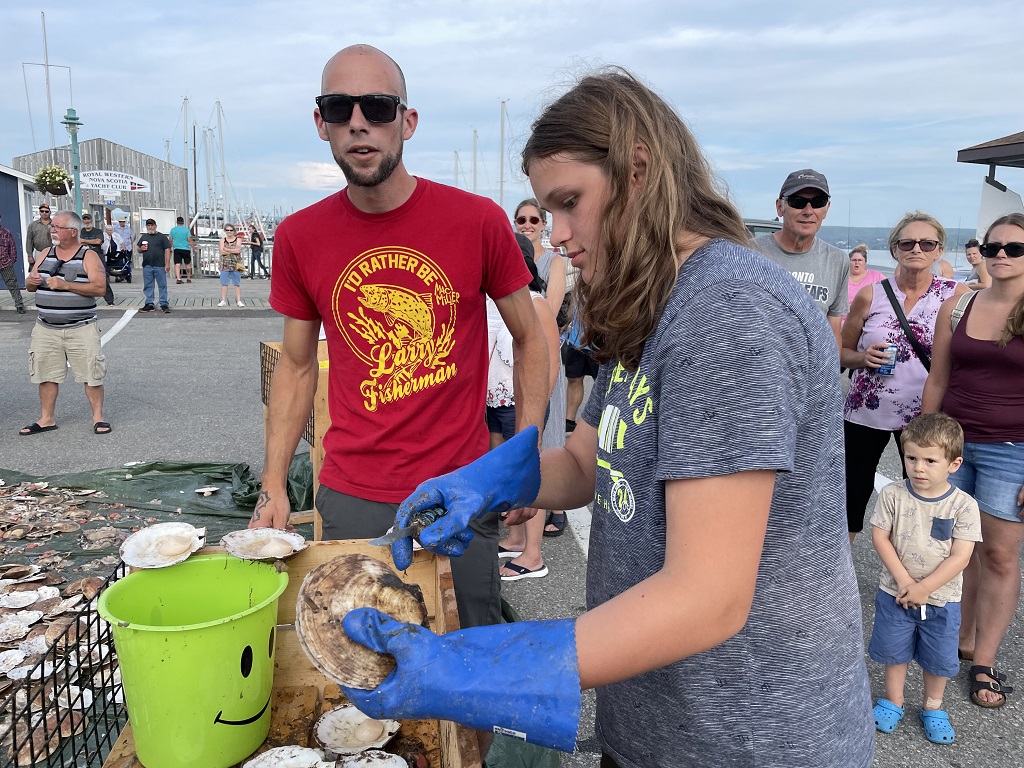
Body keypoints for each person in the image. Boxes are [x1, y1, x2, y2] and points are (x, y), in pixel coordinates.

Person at [337, 69, 873, 767]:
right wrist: (491, 482)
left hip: (750, 734)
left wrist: (479, 664)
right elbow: (589, 462)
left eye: (570, 203)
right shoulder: (646, 297)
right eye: (546, 210)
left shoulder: (729, 311)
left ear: (638, 171)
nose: (557, 236)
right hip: (653, 717)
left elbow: (708, 597)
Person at [248, 44, 548, 636]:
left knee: (468, 653)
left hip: (460, 489)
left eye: (378, 107)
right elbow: (298, 367)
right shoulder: (300, 236)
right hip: (352, 493)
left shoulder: (477, 220)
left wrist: (525, 454)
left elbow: (530, 338)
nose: (359, 122)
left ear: (407, 121)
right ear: (322, 123)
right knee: (360, 657)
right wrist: (274, 483)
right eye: (340, 108)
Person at [922, 212, 1024, 709]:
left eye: (1014, 248)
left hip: (1013, 451)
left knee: (999, 555)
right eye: (992, 246)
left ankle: (984, 661)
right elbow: (938, 378)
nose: (1000, 255)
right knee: (953, 545)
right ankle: (957, 637)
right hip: (953, 445)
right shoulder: (958, 304)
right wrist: (923, 444)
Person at [842, 212, 969, 543]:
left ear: (939, 250)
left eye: (927, 243)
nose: (916, 249)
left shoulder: (957, 295)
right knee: (850, 496)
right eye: (907, 243)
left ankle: (910, 566)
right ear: (894, 249)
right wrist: (862, 357)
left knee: (920, 500)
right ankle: (838, 568)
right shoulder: (871, 295)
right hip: (865, 413)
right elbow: (841, 351)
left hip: (925, 415)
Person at [867, 412, 981, 744]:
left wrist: (924, 588)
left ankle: (933, 707)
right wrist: (906, 583)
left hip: (942, 599)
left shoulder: (963, 505)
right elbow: (880, 537)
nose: (918, 467)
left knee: (938, 658)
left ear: (953, 464)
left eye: (930, 461)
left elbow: (961, 556)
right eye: (911, 458)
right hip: (896, 592)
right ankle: (893, 700)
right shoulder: (893, 495)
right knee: (894, 651)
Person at [496, 233, 562, 580]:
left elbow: (550, 361)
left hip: (521, 404)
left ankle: (533, 554)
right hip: (495, 403)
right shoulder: (495, 303)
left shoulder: (536, 303)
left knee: (527, 474)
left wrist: (538, 408)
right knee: (505, 474)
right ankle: (515, 538)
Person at [21, 211, 110, 435]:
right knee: (46, 374)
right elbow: (30, 287)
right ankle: (46, 419)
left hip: (81, 327)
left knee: (91, 374)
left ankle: (98, 418)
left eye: (57, 227)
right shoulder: (44, 253)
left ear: (72, 231)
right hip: (45, 327)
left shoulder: (88, 256)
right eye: (52, 226)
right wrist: (31, 282)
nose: (52, 230)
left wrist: (66, 285)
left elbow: (100, 288)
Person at [514, 199, 569, 537]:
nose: (527, 224)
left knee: (550, 433)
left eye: (534, 219)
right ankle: (526, 502)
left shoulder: (554, 261)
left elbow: (551, 305)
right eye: (521, 219)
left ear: (544, 224)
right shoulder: (513, 256)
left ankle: (558, 506)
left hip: (545, 350)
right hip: (514, 352)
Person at [751, 168, 849, 349]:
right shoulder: (749, 252)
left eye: (818, 202)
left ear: (826, 209)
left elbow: (833, 332)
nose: (808, 211)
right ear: (780, 207)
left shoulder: (837, 261)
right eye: (798, 202)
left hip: (811, 366)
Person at [561, 309, 598, 434]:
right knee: (574, 379)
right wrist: (566, 322)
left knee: (603, 384)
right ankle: (569, 422)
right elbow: (574, 305)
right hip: (576, 341)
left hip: (600, 344)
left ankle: (604, 422)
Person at [137, 218, 172, 313]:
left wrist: (167, 263)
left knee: (162, 285)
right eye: (148, 225)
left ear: (155, 226)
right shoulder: (144, 237)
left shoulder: (162, 237)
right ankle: (149, 304)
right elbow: (138, 249)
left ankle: (164, 304)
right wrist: (141, 249)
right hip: (147, 265)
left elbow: (168, 250)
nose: (150, 227)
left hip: (160, 265)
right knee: (148, 285)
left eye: (152, 225)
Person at [79, 213, 114, 306]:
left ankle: (110, 301)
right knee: (84, 278)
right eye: (85, 219)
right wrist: (90, 242)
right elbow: (78, 242)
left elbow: (98, 241)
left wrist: (83, 241)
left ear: (91, 220)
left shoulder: (97, 231)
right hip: (84, 256)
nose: (87, 221)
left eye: (88, 219)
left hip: (97, 256)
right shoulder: (81, 231)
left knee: (102, 278)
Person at [845, 243, 884, 319]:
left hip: (870, 318)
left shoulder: (877, 276)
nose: (857, 263)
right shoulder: (842, 277)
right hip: (844, 320)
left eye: (860, 260)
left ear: (865, 262)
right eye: (854, 260)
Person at [0, 212, 26, 314]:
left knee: (12, 284)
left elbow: (12, 247)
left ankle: (19, 304)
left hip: (5, 263)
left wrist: (11, 260)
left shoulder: (6, 232)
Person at [217, 225, 245, 307]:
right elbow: (221, 251)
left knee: (237, 283)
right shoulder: (222, 240)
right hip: (224, 264)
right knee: (224, 283)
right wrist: (232, 251)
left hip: (236, 264)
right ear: (225, 231)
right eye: (227, 230)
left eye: (231, 230)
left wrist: (227, 249)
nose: (229, 232)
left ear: (234, 231)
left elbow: (238, 250)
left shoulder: (238, 239)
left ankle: (239, 300)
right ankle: (223, 300)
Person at [169, 216, 195, 284]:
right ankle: (188, 278)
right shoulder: (186, 230)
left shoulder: (173, 230)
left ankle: (178, 278)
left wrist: (169, 248)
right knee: (187, 263)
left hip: (177, 249)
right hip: (186, 249)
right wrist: (194, 248)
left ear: (177, 222)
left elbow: (170, 240)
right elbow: (190, 240)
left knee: (177, 264)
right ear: (183, 222)